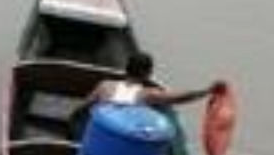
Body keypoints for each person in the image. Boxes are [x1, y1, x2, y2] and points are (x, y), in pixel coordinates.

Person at [75, 51, 222, 126]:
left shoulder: (105, 86)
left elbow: (81, 108)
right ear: (147, 74)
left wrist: (71, 121)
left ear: (126, 68)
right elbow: (181, 97)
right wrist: (207, 90)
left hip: (102, 132)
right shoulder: (148, 95)